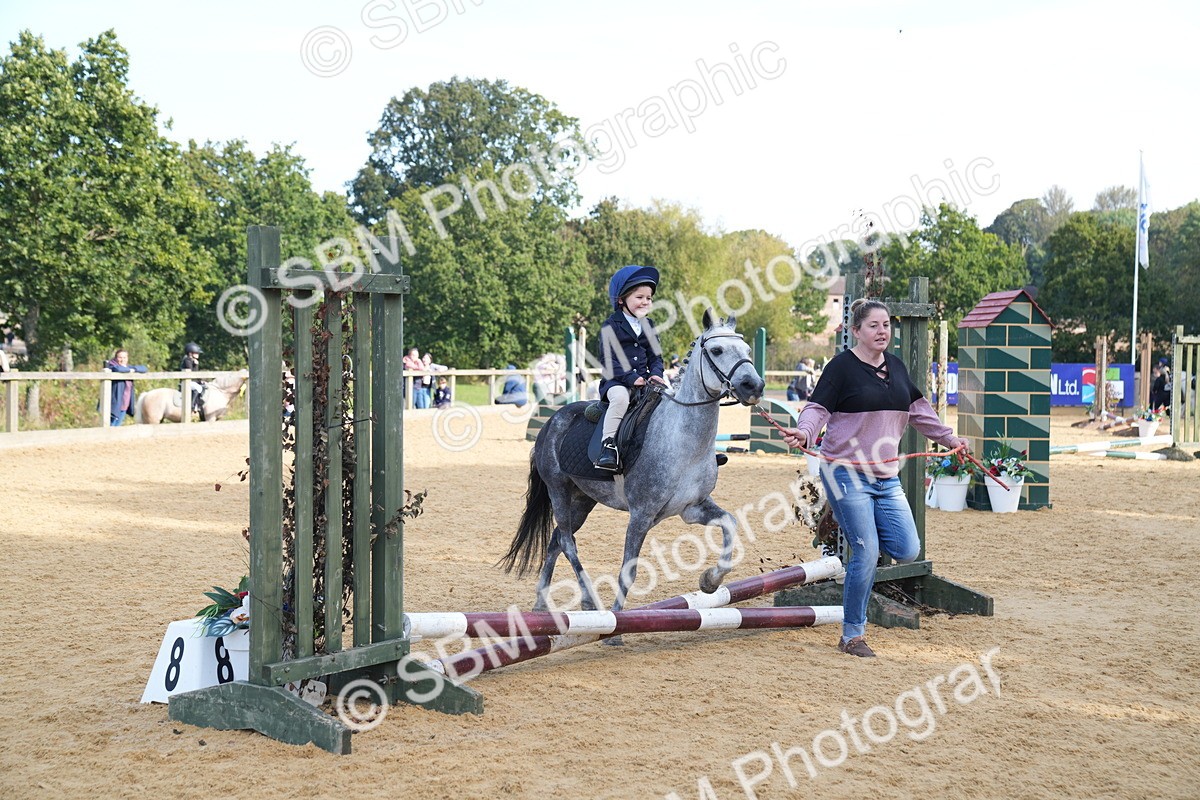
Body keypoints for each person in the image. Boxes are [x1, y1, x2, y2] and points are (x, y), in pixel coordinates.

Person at [780, 299, 970, 658]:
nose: (883, 331)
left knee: (907, 549)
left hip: (885, 477)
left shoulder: (896, 367)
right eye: (874, 326)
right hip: (845, 472)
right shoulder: (841, 368)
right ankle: (853, 635)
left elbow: (919, 412)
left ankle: (845, 517)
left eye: (886, 325)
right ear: (856, 331)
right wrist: (805, 434)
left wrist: (951, 439)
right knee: (865, 552)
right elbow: (817, 409)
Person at [594, 265, 666, 471]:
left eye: (649, 298)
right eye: (639, 297)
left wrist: (656, 374)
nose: (645, 301)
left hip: (646, 381)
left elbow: (656, 357)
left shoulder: (649, 325)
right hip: (617, 381)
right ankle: (607, 446)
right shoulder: (611, 325)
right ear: (621, 300)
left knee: (673, 401)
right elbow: (608, 360)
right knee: (621, 399)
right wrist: (630, 377)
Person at [104, 348, 149, 426]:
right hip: (114, 405)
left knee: (117, 426)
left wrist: (132, 369)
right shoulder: (112, 366)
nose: (122, 360)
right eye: (120, 357)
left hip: (124, 404)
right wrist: (130, 370)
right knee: (111, 426)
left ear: (127, 358)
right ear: (116, 358)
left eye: (124, 357)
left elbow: (144, 368)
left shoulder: (127, 368)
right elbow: (118, 369)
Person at [179, 342, 206, 420]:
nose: (198, 354)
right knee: (198, 388)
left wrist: (201, 381)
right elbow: (191, 373)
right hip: (186, 381)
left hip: (191, 381)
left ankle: (198, 405)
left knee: (203, 387)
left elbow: (196, 375)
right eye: (196, 353)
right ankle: (192, 406)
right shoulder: (187, 360)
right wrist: (196, 365)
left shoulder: (192, 360)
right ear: (190, 353)